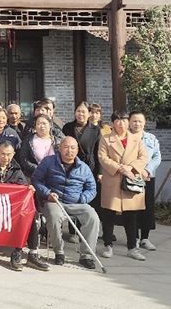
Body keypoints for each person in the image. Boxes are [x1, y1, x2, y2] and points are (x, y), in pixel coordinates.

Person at [0, 140, 49, 271]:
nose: (6, 158)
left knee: (30, 214)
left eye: (9, 154)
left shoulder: (16, 168)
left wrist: (28, 189)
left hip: (12, 207)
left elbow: (22, 188)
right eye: (3, 154)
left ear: (14, 154)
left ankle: (27, 253)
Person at [31, 136, 100, 269]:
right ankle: (59, 252)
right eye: (66, 147)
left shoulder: (84, 168)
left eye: (73, 148)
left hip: (77, 203)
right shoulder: (48, 162)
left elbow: (92, 189)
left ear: (77, 150)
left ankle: (87, 255)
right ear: (60, 148)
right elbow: (36, 180)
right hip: (55, 202)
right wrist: (47, 193)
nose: (69, 151)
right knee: (54, 216)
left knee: (92, 217)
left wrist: (83, 199)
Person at [98, 111, 148, 261]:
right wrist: (120, 168)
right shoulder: (106, 138)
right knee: (108, 214)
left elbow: (143, 156)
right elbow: (102, 158)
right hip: (113, 179)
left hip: (130, 180)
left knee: (131, 216)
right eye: (118, 121)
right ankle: (108, 245)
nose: (121, 124)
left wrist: (130, 168)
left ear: (128, 122)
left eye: (124, 120)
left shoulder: (136, 139)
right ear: (113, 123)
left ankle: (132, 248)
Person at [132, 112, 161, 251]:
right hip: (132, 177)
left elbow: (157, 157)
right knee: (133, 208)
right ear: (130, 122)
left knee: (147, 207)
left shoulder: (151, 138)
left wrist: (147, 170)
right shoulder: (126, 138)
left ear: (144, 123)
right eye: (134, 121)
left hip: (148, 177)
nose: (137, 123)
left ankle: (145, 238)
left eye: (140, 121)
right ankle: (134, 238)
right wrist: (138, 171)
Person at [62, 102, 101, 177]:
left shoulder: (96, 130)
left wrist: (100, 171)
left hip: (89, 167)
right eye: (78, 111)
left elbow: (98, 151)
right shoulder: (68, 127)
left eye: (83, 112)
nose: (80, 114)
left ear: (89, 114)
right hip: (70, 165)